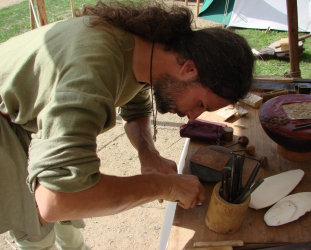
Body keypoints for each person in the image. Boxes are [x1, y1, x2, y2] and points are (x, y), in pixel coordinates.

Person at [0, 0, 254, 248]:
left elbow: (135, 109)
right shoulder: (93, 67)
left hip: (26, 118)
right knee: (36, 231)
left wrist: (148, 154)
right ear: (189, 69)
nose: (193, 117)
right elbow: (57, 200)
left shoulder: (143, 50)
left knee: (65, 212)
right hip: (6, 129)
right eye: (202, 104)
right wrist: (163, 187)